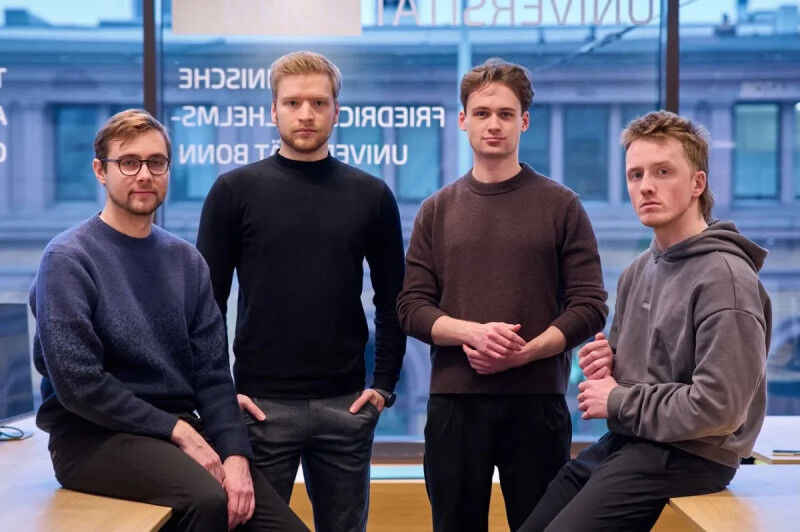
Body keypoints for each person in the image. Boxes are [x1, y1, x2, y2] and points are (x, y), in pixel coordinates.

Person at [30, 109, 307, 532]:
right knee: (207, 501)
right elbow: (79, 385)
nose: (145, 174)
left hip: (177, 431)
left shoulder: (186, 261)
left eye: (156, 162)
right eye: (129, 162)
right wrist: (178, 430)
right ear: (100, 171)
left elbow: (213, 375)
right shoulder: (68, 259)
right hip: (91, 437)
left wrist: (235, 454)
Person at [519, 111, 772, 531]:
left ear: (698, 184)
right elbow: (640, 378)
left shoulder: (725, 278)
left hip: (693, 453)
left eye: (663, 172)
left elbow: (720, 408)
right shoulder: (639, 269)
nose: (646, 186)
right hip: (634, 439)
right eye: (635, 175)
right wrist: (612, 366)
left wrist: (617, 399)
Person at [197, 51, 406, 532]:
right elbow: (206, 308)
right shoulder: (233, 192)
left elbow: (393, 298)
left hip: (346, 405)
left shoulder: (371, 195)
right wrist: (223, 398)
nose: (306, 114)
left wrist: (383, 386)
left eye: (318, 102)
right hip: (259, 407)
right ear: (273, 111)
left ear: (336, 111)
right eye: (293, 103)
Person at [396, 58, 608, 532]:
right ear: (463, 120)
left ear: (524, 121)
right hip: (454, 404)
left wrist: (525, 353)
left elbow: (590, 305)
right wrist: (472, 333)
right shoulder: (436, 210)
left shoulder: (561, 205)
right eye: (482, 113)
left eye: (506, 114)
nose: (494, 124)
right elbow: (411, 307)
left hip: (537, 403)